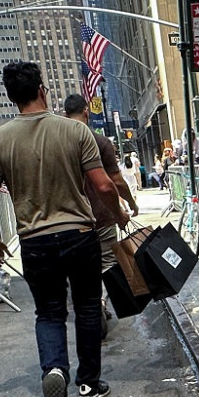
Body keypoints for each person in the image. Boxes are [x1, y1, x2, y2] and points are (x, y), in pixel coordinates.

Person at [0, 62, 128, 397]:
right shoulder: (74, 131)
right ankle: (89, 384)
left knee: (49, 313)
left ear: (12, 97)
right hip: (79, 233)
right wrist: (119, 214)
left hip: (34, 242)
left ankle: (55, 369)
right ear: (42, 90)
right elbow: (104, 186)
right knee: (89, 307)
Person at [64, 95, 139, 338]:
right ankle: (102, 302)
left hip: (71, 218)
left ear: (66, 114)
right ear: (86, 112)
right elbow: (114, 182)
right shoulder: (100, 142)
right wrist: (128, 204)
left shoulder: (59, 143)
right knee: (107, 262)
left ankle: (90, 303)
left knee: (80, 267)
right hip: (103, 214)